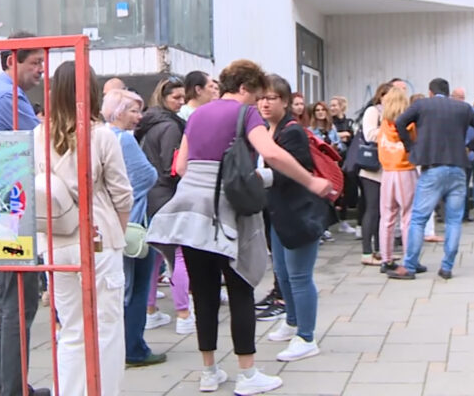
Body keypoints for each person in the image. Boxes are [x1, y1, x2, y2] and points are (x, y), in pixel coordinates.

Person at [146, 59, 333, 394]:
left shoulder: (197, 114)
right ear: (245, 88)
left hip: (191, 214)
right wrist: (310, 181)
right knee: (241, 289)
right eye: (256, 95)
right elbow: (271, 154)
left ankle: (209, 372)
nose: (259, 103)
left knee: (204, 294)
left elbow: (182, 166)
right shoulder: (245, 114)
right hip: (228, 213)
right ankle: (247, 374)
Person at [38, 62, 132, 395]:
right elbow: (122, 194)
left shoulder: (38, 135)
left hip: (56, 240)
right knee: (106, 327)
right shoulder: (101, 135)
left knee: (71, 329)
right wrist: (119, 234)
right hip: (98, 237)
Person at [0, 31, 49, 396]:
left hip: (1, 206)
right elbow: (42, 145)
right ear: (10, 61)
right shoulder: (7, 96)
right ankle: (13, 388)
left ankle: (11, 386)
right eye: (35, 62)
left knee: (8, 303)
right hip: (11, 210)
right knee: (18, 303)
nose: (40, 70)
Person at [386, 78, 474, 280]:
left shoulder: (422, 105)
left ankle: (409, 266)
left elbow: (399, 122)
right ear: (448, 92)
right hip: (458, 168)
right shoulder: (463, 107)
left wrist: (410, 147)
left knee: (418, 218)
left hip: (433, 168)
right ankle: (447, 266)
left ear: (430, 92)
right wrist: (470, 147)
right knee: (454, 220)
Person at [258, 75, 330, 362]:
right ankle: (291, 321)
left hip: (300, 214)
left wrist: (260, 177)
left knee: (299, 276)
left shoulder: (292, 132)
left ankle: (307, 337)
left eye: (271, 98)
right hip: (279, 213)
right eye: (261, 98)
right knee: (283, 273)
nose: (264, 103)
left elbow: (295, 171)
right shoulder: (267, 130)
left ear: (285, 102)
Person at [101, 89, 166, 368]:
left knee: (118, 286)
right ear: (118, 111)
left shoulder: (100, 135)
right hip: (132, 221)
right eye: (133, 111)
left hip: (106, 220)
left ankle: (117, 346)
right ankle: (135, 348)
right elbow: (146, 176)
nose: (139, 117)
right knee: (137, 285)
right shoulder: (124, 139)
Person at [136, 77, 194, 334]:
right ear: (164, 97)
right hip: (167, 194)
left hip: (149, 196)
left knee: (155, 256)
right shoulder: (171, 126)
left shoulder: (147, 123)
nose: (181, 102)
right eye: (176, 98)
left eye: (183, 97)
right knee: (178, 254)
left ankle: (150, 311)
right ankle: (183, 314)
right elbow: (172, 166)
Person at [377, 87, 418, 272]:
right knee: (408, 216)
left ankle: (386, 259)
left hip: (387, 171)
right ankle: (409, 259)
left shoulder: (384, 124)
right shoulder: (409, 124)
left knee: (387, 216)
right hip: (405, 169)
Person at [357, 83, 392, 265]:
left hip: (387, 167)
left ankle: (380, 250)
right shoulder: (373, 111)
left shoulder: (393, 113)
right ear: (381, 96)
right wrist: (389, 131)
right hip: (372, 168)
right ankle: (366, 252)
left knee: (383, 211)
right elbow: (369, 134)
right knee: (372, 209)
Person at [329, 96, 359, 236]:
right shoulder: (329, 122)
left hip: (347, 160)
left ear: (342, 107)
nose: (332, 108)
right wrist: (342, 135)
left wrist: (343, 135)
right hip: (333, 160)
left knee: (347, 190)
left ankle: (343, 220)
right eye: (331, 105)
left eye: (335, 105)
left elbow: (353, 138)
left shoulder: (350, 122)